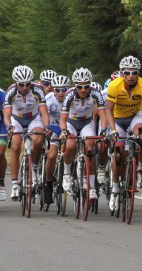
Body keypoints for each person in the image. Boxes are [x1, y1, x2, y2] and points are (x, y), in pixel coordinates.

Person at [106, 56, 142, 211]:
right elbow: (108, 109)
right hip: (117, 118)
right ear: (122, 73)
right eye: (127, 72)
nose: (130, 76)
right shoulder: (114, 85)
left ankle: (138, 167)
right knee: (118, 154)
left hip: (136, 116)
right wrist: (113, 130)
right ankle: (115, 187)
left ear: (138, 73)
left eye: (134, 73)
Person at [3, 65, 50, 200]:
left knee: (38, 139)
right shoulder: (11, 91)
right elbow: (6, 115)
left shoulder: (38, 90)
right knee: (16, 146)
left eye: (27, 84)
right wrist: (9, 126)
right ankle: (15, 184)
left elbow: (44, 112)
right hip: (16, 119)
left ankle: (35, 166)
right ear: (16, 83)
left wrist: (46, 126)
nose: (25, 87)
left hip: (33, 118)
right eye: (22, 84)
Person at [59, 67, 107, 200]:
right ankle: (67, 173)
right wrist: (64, 131)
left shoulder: (96, 94)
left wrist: (102, 130)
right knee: (70, 145)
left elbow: (103, 116)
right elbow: (62, 118)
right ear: (76, 86)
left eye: (86, 86)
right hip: (71, 122)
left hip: (87, 122)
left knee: (90, 146)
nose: (83, 90)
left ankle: (91, 187)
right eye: (80, 87)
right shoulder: (69, 94)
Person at [44, 75, 71, 204]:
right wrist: (48, 130)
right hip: (54, 129)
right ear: (53, 90)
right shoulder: (48, 100)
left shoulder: (73, 98)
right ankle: (48, 184)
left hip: (68, 129)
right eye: (57, 90)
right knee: (51, 155)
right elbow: (44, 118)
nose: (61, 93)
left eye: (64, 89)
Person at [0, 88, 8, 200]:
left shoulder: (2, 94)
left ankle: (1, 182)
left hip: (1, 125)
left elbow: (7, 114)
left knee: (0, 153)